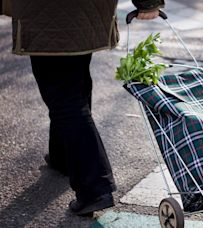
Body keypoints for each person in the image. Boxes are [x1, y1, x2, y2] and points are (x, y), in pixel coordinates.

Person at [1, 0, 165, 216]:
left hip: (46, 12)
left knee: (63, 95)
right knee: (73, 82)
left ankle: (94, 189)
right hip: (89, 9)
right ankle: (63, 158)